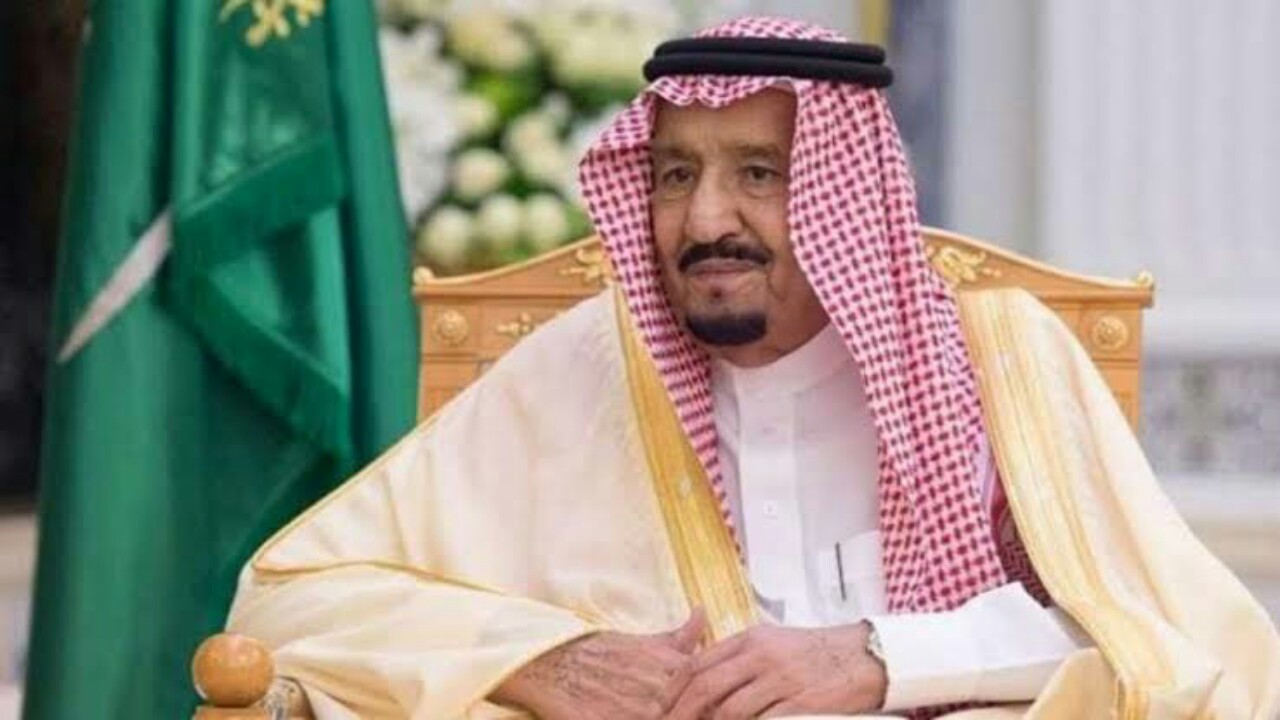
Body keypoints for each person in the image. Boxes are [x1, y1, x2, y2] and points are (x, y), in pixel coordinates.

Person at [224, 16, 1280, 720]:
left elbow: (1173, 637)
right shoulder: (579, 370)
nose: (703, 220)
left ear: (843, 197)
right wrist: (538, 662)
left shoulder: (1001, 357)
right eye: (674, 175)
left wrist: (876, 658)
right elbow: (283, 600)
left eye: (760, 175)